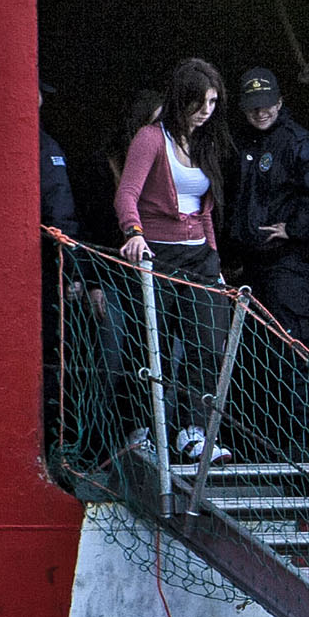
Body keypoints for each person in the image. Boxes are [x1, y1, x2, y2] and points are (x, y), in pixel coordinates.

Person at [111, 69, 228, 462]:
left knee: (207, 344)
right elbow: (127, 193)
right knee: (151, 346)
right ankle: (141, 430)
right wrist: (133, 232)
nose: (206, 111)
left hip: (200, 257)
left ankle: (193, 433)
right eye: (199, 102)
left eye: (213, 102)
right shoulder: (151, 138)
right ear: (180, 99)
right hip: (156, 254)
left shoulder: (206, 142)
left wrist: (215, 258)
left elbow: (205, 210)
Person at [216, 65, 309, 358]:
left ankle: (300, 393)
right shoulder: (238, 142)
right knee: (253, 352)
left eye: (267, 105)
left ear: (280, 103)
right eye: (253, 106)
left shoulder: (296, 142)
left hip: (288, 265)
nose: (261, 112)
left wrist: (294, 228)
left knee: (291, 348)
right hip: (249, 266)